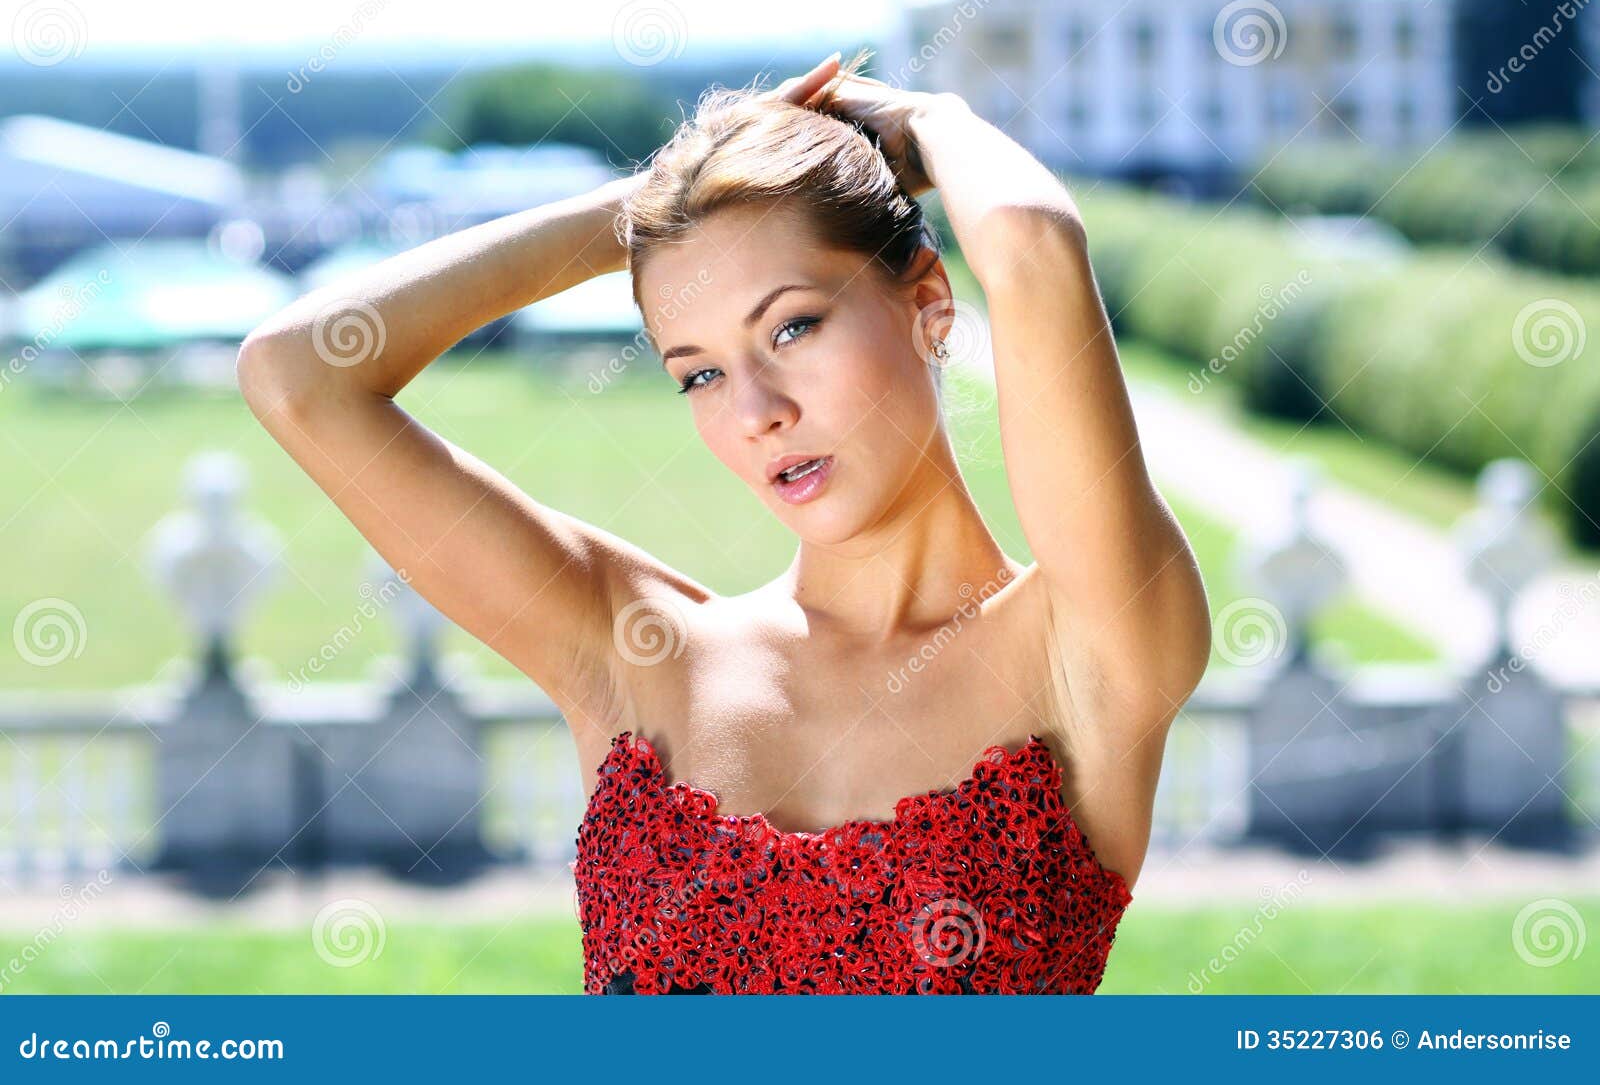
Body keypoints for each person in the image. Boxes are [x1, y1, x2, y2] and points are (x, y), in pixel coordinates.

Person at [236, 49, 1212, 994]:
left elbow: (1034, 243)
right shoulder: (638, 651)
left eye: (791, 326)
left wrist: (928, 120)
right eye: (699, 370)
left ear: (927, 302)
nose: (755, 411)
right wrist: (647, 211)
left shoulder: (1085, 644)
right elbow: (299, 374)